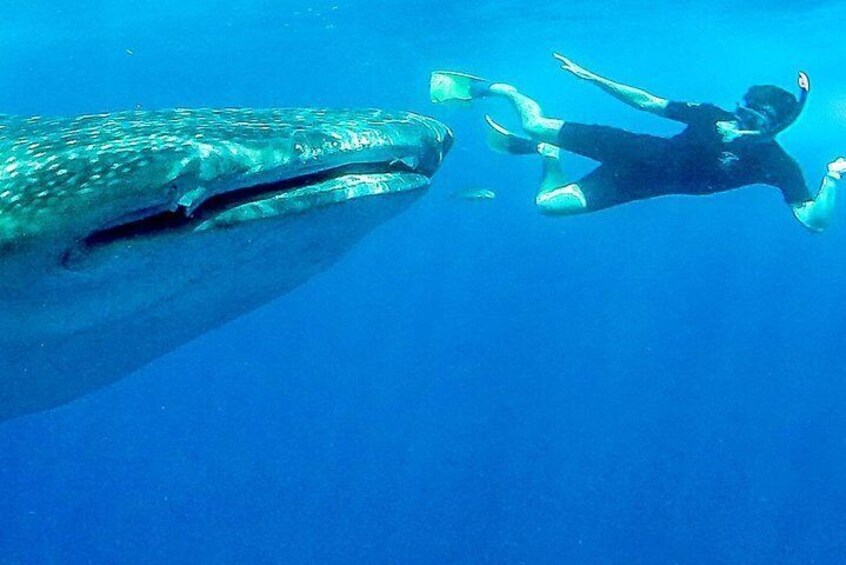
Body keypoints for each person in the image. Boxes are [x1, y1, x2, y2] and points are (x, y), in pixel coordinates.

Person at [430, 54, 846, 232]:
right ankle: (502, 89)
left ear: (771, 126)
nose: (735, 121)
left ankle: (547, 156)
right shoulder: (711, 115)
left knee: (546, 206)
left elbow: (815, 222)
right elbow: (649, 102)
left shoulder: (776, 164)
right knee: (534, 122)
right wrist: (593, 78)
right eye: (739, 110)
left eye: (749, 119)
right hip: (628, 148)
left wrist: (831, 179)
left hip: (638, 185)